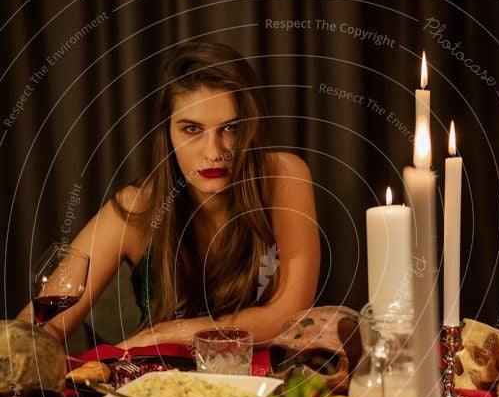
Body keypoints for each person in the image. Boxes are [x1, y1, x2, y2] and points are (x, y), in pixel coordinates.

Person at [20, 41, 320, 348]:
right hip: (157, 389)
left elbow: (289, 314)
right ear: (167, 133)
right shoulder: (137, 206)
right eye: (192, 129)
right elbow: (40, 324)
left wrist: (163, 333)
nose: (214, 151)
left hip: (263, 390)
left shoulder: (283, 177)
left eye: (230, 128)